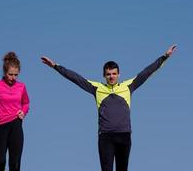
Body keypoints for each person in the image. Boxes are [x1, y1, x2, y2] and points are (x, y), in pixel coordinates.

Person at [41, 45, 177, 171]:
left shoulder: (128, 86)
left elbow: (147, 72)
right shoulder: (97, 88)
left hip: (124, 135)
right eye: (108, 74)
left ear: (119, 74)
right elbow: (76, 78)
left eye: (114, 74)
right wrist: (55, 66)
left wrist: (164, 56)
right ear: (104, 75)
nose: (111, 77)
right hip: (106, 137)